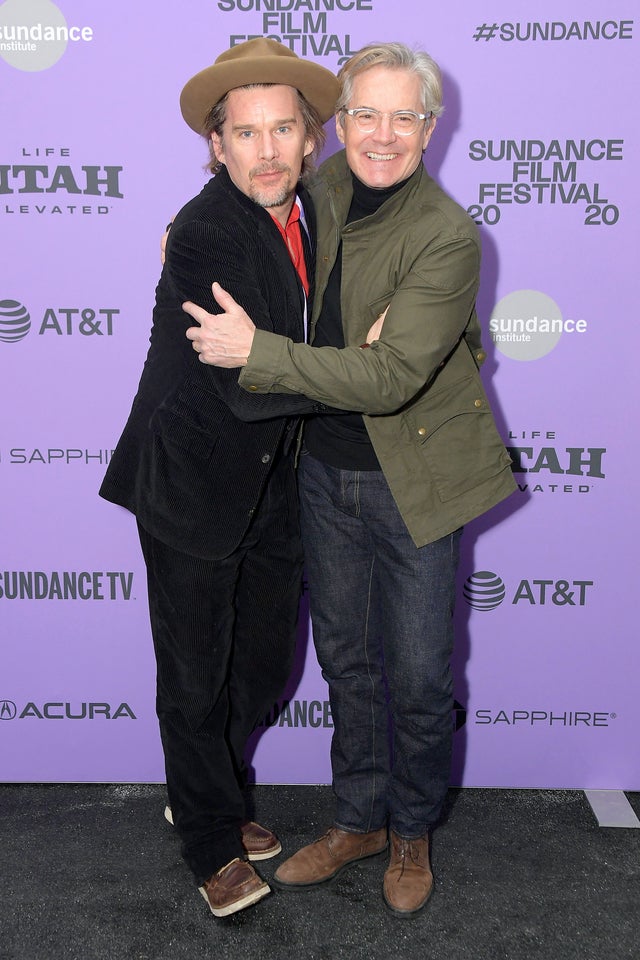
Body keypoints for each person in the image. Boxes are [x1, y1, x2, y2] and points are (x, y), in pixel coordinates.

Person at [181, 42, 517, 917]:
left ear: (430, 128)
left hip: (416, 482)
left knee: (416, 674)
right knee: (346, 662)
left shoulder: (446, 235)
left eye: (404, 116)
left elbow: (389, 378)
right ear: (337, 127)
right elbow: (248, 217)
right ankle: (359, 817)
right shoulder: (321, 187)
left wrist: (268, 355)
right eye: (365, 113)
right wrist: (182, 233)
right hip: (322, 473)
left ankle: (411, 830)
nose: (382, 134)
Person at [99, 38, 341, 918]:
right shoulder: (204, 231)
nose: (268, 150)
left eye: (284, 129)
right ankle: (207, 833)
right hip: (192, 479)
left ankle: (208, 788)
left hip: (275, 481)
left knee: (270, 659)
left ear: (311, 138)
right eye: (247, 133)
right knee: (195, 672)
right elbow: (248, 384)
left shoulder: (315, 209)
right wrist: (370, 364)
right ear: (217, 144)